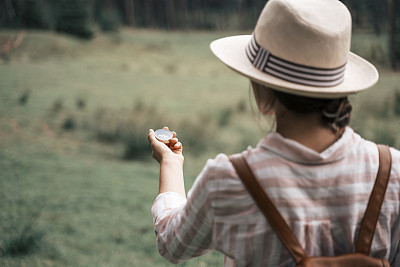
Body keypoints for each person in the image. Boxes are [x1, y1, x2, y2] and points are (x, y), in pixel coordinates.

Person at [147, 0, 400, 266]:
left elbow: (171, 243)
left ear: (264, 93)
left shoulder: (228, 181)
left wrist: (171, 163)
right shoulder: (392, 172)